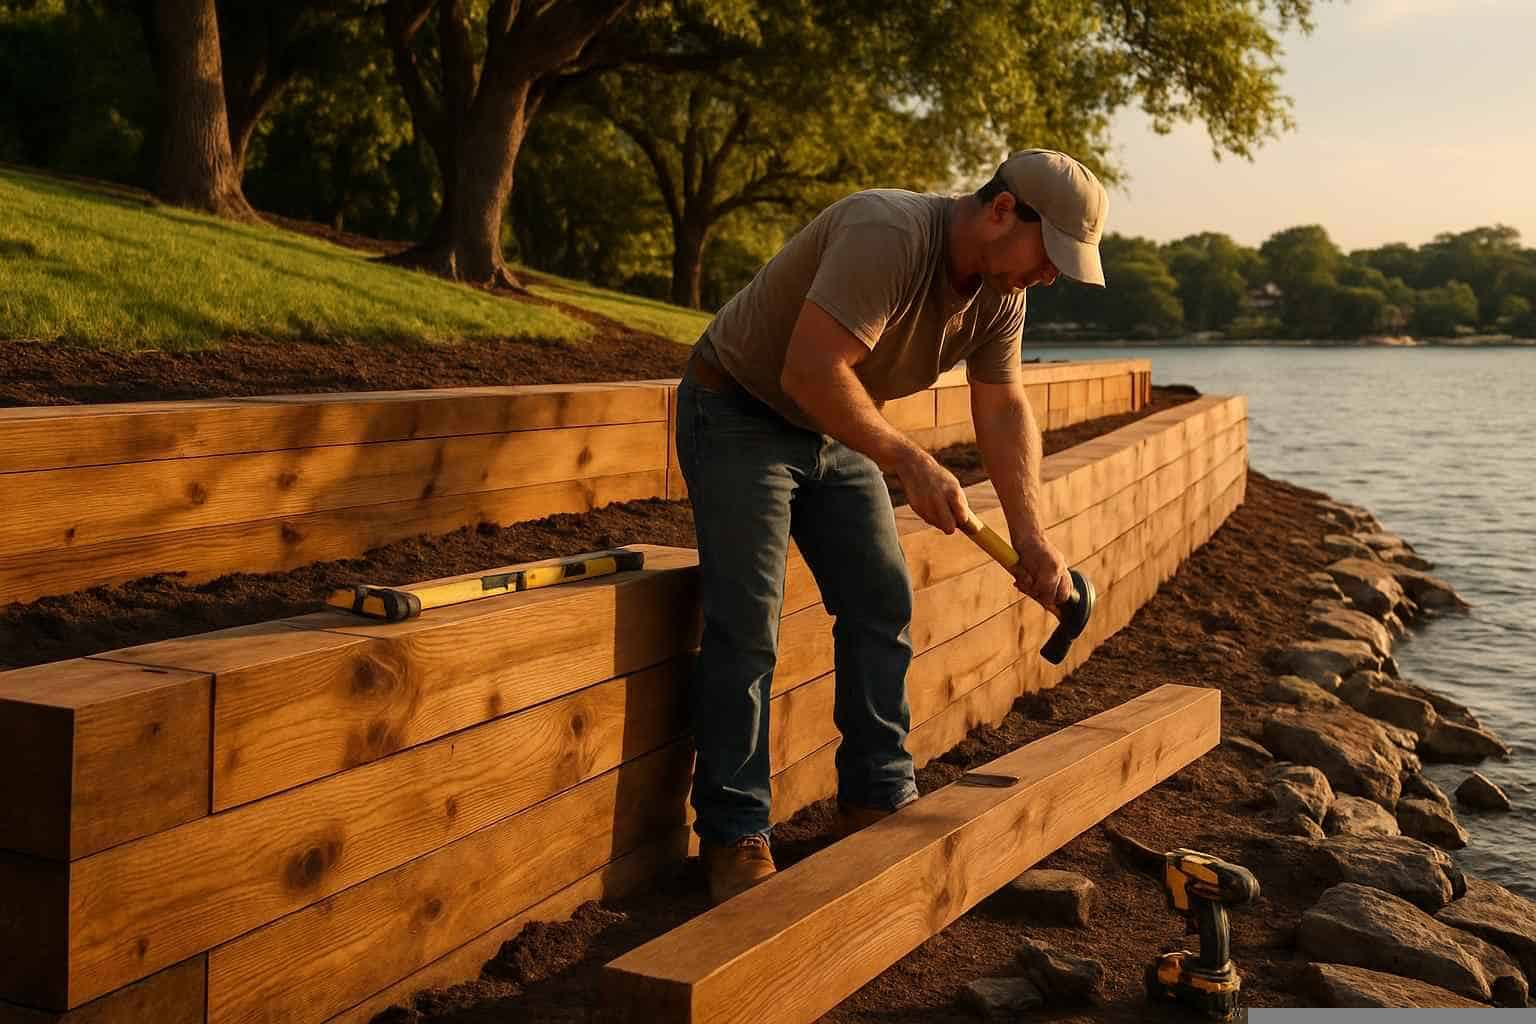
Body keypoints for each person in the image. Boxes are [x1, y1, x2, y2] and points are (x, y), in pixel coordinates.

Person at [676, 149, 1108, 905]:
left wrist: (1034, 540)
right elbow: (809, 370)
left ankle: (876, 797)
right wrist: (909, 459)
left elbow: (1003, 408)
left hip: (828, 429)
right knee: (748, 622)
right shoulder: (888, 231)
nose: (1052, 277)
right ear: (1003, 210)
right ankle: (734, 829)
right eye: (1053, 257)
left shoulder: (1001, 292)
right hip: (740, 408)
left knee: (881, 600)